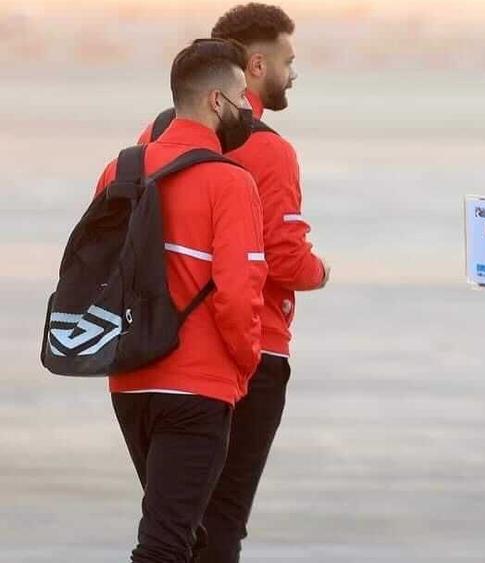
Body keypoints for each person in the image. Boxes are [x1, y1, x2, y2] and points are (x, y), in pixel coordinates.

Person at [136, 5, 330, 561]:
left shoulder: (152, 136)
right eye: (288, 62)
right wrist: (321, 272)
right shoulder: (268, 149)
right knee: (221, 519)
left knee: (175, 521)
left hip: (152, 353)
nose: (293, 74)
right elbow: (283, 259)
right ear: (256, 65)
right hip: (246, 349)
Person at [95, 38, 267, 562]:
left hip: (129, 380)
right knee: (166, 544)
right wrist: (246, 363)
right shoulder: (229, 182)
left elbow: (95, 271)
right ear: (217, 100)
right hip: (197, 385)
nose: (246, 108)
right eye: (241, 96)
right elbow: (238, 293)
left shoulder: (120, 171)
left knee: (183, 531)